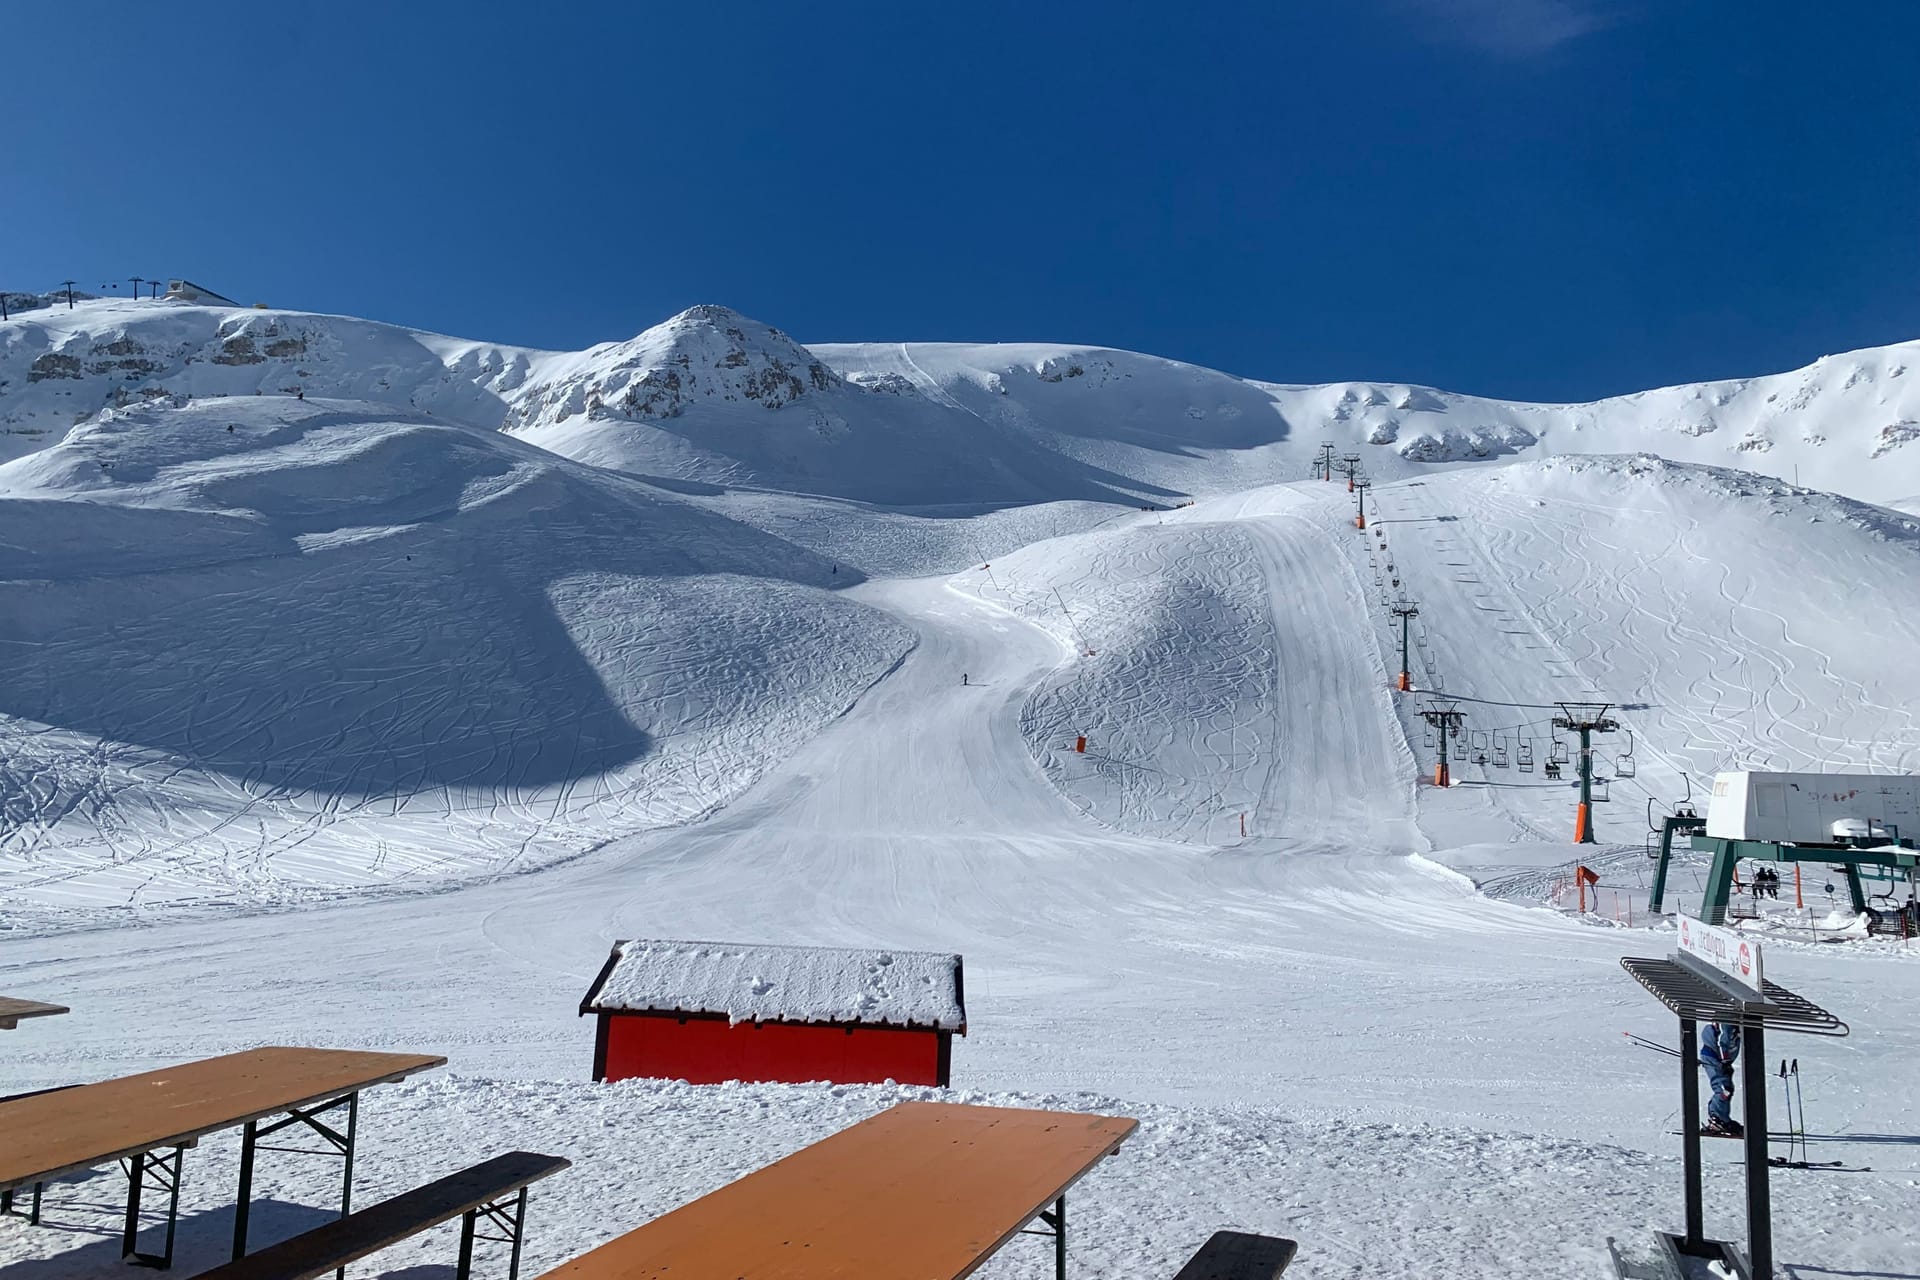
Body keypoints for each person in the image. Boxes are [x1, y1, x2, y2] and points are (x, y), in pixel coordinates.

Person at [1700, 1021, 1743, 1136]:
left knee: (1727, 1088)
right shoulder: (1726, 1021)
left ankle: (1722, 1118)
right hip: (1715, 1058)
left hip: (1720, 1059)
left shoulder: (1733, 1022)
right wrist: (1724, 1059)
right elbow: (1721, 1040)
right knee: (1724, 1089)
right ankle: (1717, 1120)